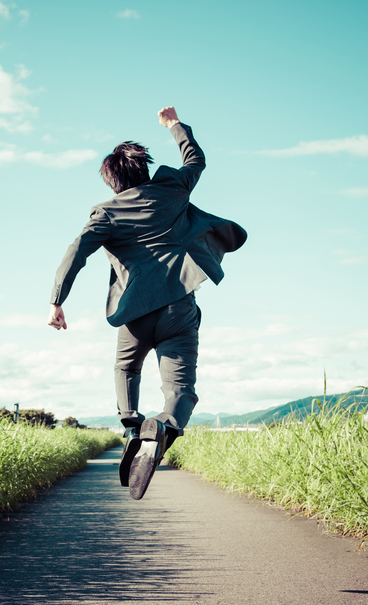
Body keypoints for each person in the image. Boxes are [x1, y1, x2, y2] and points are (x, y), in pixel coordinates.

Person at [48, 106, 246, 500]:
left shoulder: (106, 214)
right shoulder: (173, 189)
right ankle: (166, 425)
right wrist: (174, 125)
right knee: (181, 389)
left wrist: (57, 300)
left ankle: (131, 426)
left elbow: (76, 251)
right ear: (144, 169)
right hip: (179, 309)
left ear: (112, 181)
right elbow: (195, 160)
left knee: (126, 367)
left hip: (135, 313)